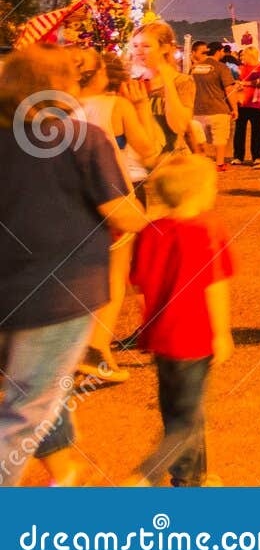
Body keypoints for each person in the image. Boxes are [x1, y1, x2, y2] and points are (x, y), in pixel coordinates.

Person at [0, 46, 146, 487]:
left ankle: (62, 472)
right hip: (61, 291)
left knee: (36, 386)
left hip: (9, 291)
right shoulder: (82, 138)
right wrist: (154, 215)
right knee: (26, 408)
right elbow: (121, 213)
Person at [126, 155, 233, 487]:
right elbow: (215, 286)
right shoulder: (207, 230)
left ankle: (194, 477)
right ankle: (150, 474)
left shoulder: (149, 232)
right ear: (197, 193)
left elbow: (138, 286)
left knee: (177, 407)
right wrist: (222, 333)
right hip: (195, 336)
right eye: (212, 186)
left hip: (161, 337)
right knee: (186, 418)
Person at [73, 50, 163, 384]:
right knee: (114, 274)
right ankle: (97, 349)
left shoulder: (56, 106)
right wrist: (142, 107)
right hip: (115, 193)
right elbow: (149, 150)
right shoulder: (116, 106)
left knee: (76, 274)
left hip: (71, 196)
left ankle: (71, 349)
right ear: (101, 75)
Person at [187, 42, 236, 170]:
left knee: (199, 139)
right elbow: (229, 89)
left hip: (198, 110)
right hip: (218, 108)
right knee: (220, 139)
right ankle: (219, 164)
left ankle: (200, 164)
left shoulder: (194, 68)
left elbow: (188, 88)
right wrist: (234, 108)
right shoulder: (221, 67)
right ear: (218, 51)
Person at [232, 46, 260, 166]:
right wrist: (237, 84)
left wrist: (245, 83)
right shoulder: (241, 68)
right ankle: (238, 156)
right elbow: (236, 81)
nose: (242, 57)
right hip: (242, 103)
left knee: (257, 130)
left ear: (250, 55)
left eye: (244, 55)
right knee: (239, 130)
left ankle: (257, 156)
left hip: (257, 103)